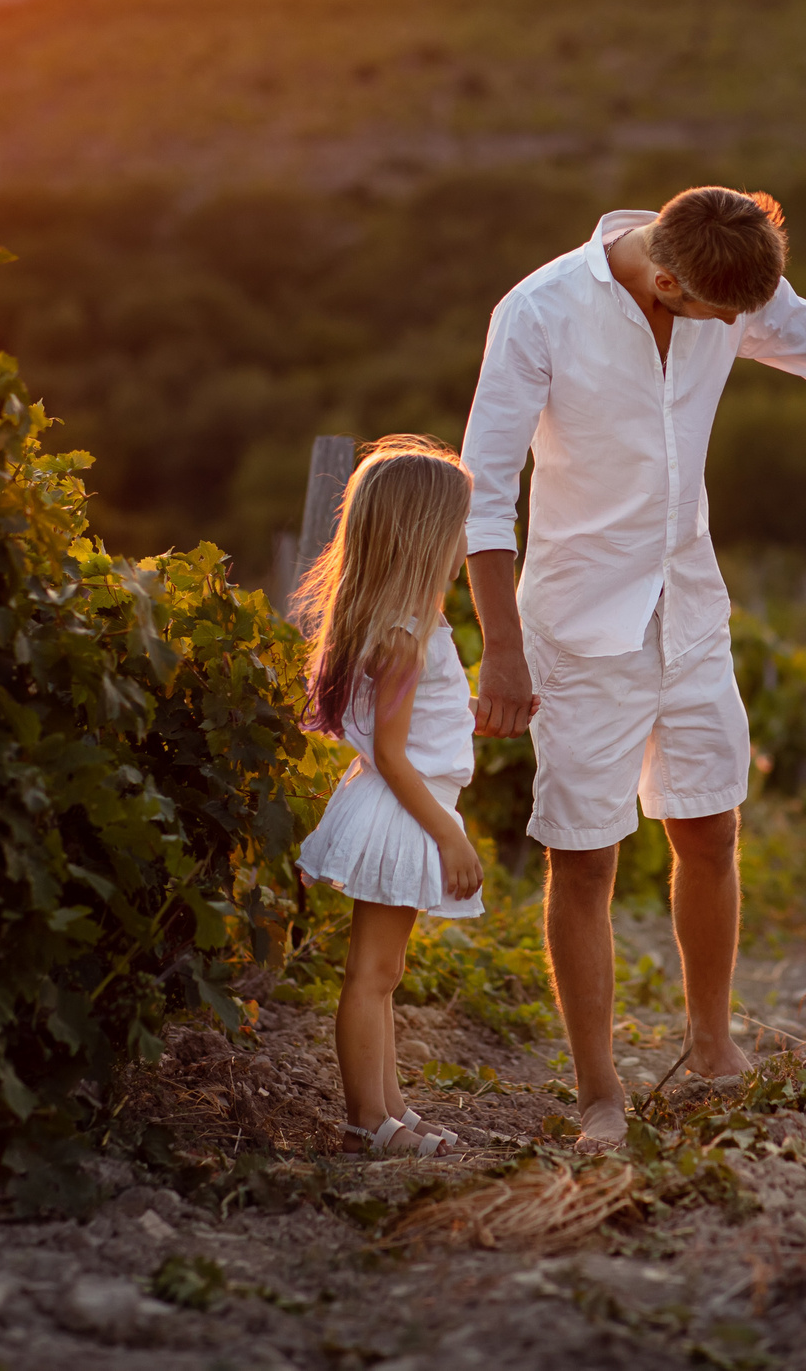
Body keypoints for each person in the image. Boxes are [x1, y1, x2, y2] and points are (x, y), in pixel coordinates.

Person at [462, 185, 806, 1147]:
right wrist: (501, 654)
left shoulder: (733, 285)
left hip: (691, 609)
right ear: (668, 279)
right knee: (584, 854)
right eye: (725, 318)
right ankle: (599, 1093)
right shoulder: (540, 311)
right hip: (577, 623)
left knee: (711, 829)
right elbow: (484, 487)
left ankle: (711, 1048)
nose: (740, 330)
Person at [294, 436, 488, 1159]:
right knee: (370, 974)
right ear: (427, 535)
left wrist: (471, 711)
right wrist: (450, 835)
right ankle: (364, 1122)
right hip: (404, 809)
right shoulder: (407, 635)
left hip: (403, 803)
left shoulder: (412, 627)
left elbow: (407, 727)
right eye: (460, 527)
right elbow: (390, 753)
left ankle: (389, 1110)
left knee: (384, 973)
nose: (467, 543)